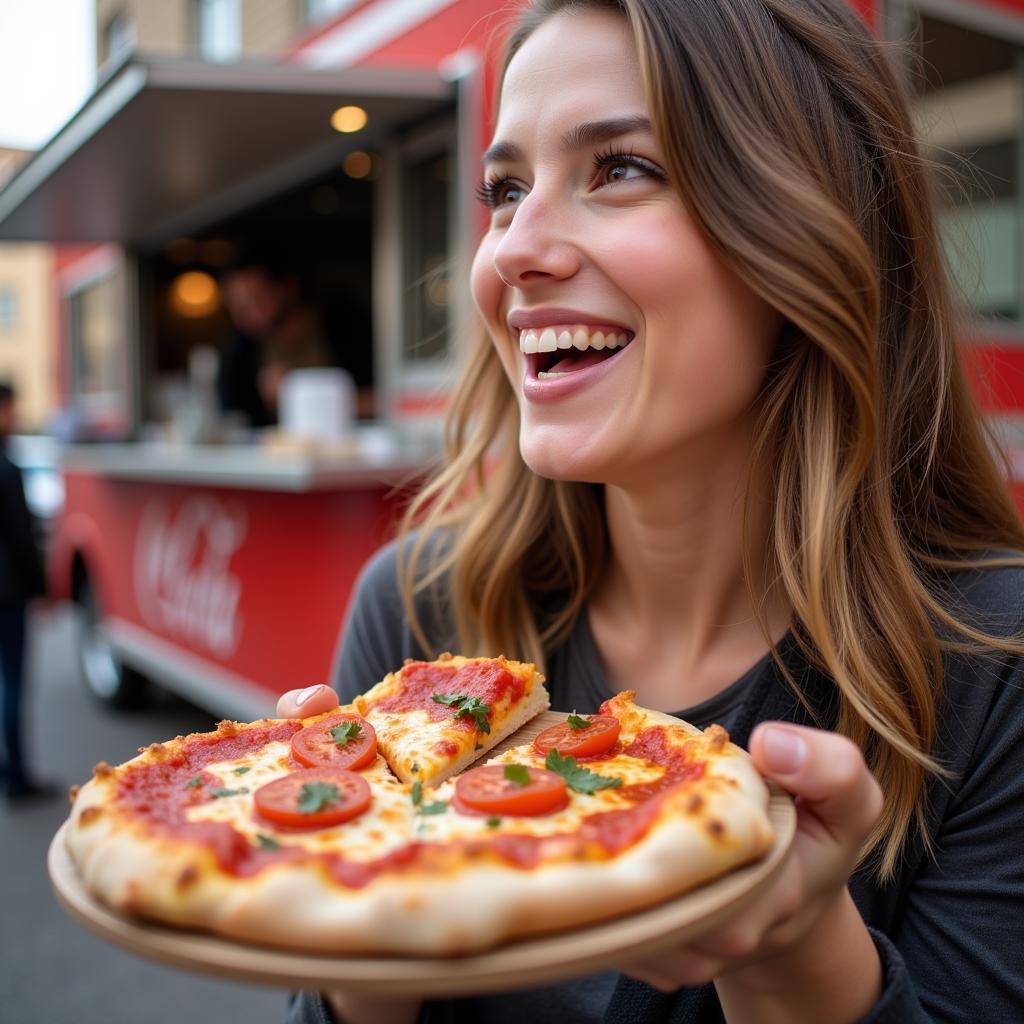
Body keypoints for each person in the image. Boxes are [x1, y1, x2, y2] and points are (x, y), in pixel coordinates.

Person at [278, 0, 1024, 1020]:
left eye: (619, 168)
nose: (511, 253)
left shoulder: (995, 666)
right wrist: (355, 913)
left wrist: (791, 945)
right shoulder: (419, 613)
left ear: (807, 229)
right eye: (506, 190)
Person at [0, 381, 49, 801]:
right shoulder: (7, 467)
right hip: (7, 595)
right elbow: (22, 538)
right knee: (12, 683)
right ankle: (16, 774)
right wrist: (42, 588)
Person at [217, 253, 334, 427]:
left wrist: (296, 388)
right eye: (238, 307)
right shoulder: (241, 348)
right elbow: (233, 416)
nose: (247, 314)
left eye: (257, 300)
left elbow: (384, 397)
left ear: (288, 287)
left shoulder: (341, 325)